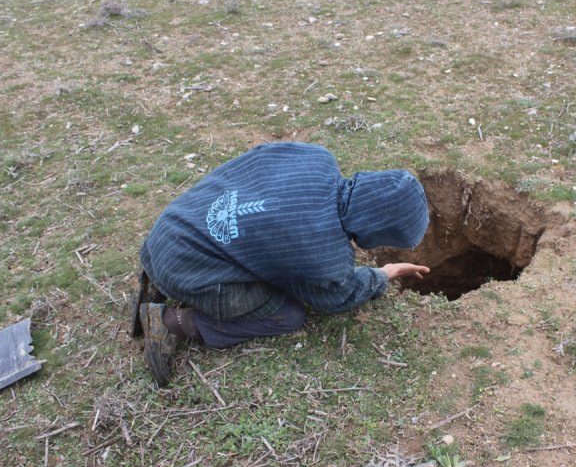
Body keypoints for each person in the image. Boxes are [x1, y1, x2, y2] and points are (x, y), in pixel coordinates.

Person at [135, 142, 430, 386]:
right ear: (378, 229)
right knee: (287, 314)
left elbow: (256, 158)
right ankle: (169, 322)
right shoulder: (325, 254)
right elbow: (335, 297)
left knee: (246, 236)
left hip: (171, 227)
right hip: (186, 267)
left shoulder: (317, 158)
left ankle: (155, 274)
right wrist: (383, 274)